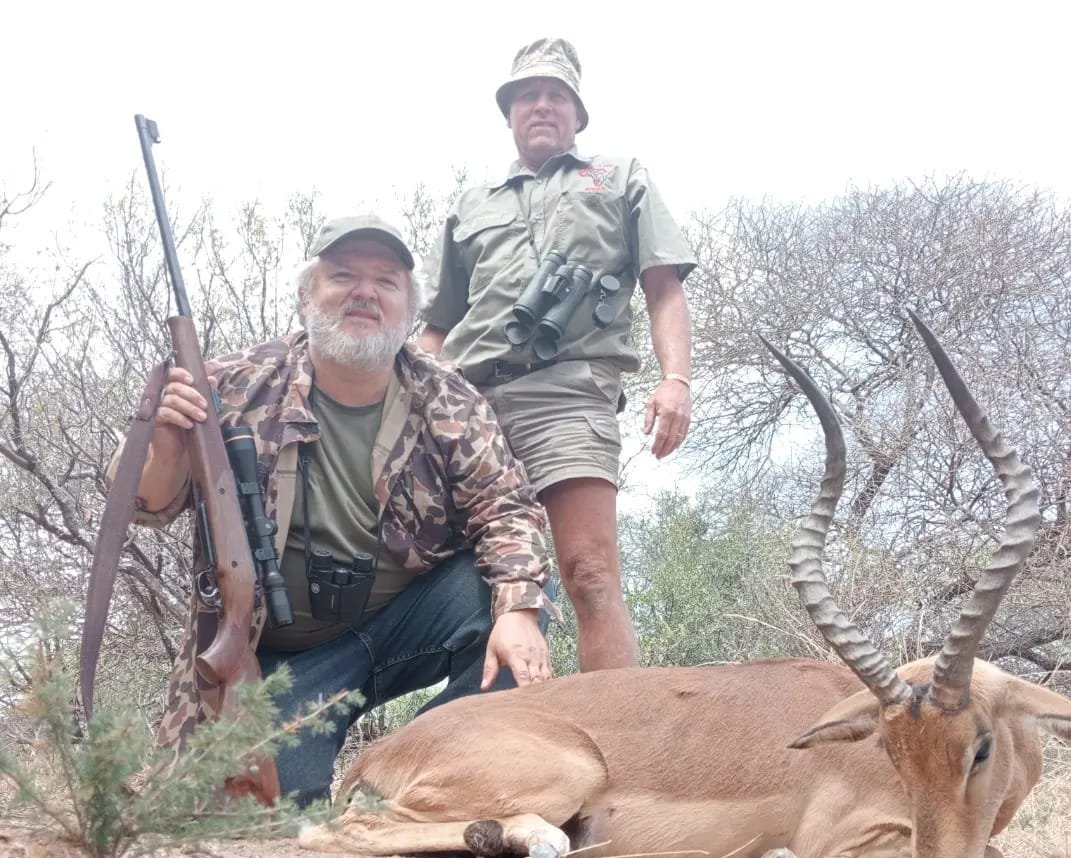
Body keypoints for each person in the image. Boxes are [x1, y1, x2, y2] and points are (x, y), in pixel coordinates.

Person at [122, 215, 558, 806]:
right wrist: (165, 439)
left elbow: (508, 508)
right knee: (258, 819)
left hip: (399, 626)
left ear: (409, 309)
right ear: (308, 296)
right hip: (277, 663)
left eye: (386, 281)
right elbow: (145, 506)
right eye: (344, 276)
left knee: (512, 596)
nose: (365, 293)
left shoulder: (449, 396)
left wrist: (518, 613)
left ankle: (414, 773)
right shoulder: (231, 382)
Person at [418, 37, 696, 672]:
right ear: (508, 113)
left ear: (578, 112)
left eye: (555, 95)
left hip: (567, 393)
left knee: (589, 572)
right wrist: (398, 395)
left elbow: (663, 287)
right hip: (466, 406)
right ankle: (511, 754)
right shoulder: (470, 205)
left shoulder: (621, 177)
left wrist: (675, 379)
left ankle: (620, 747)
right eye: (526, 96)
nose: (540, 105)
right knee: (480, 590)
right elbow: (436, 327)